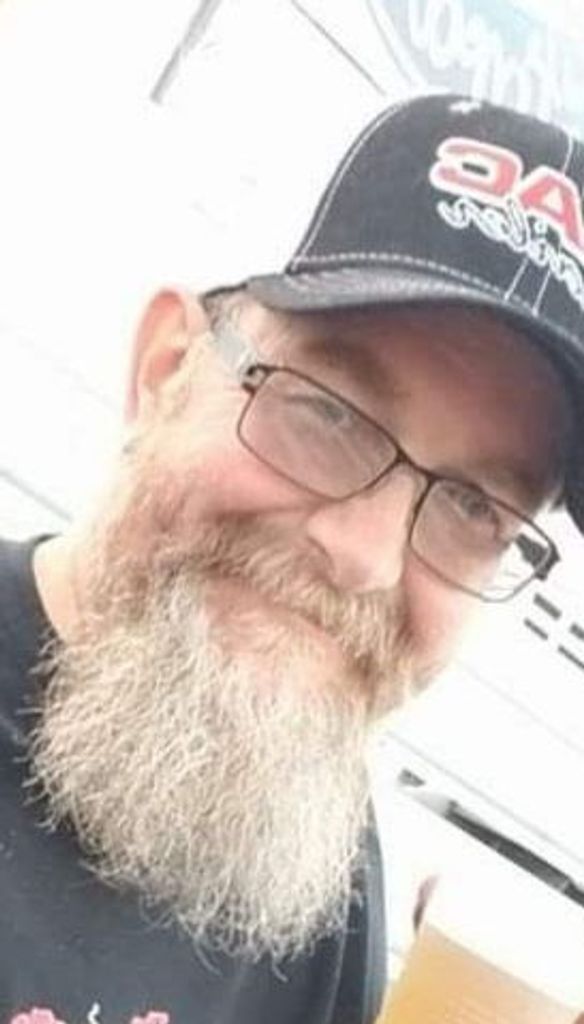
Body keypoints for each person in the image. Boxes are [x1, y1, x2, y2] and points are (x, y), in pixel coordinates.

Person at [1, 91, 584, 1024]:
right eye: (326, 412)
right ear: (166, 369)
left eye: (475, 507)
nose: (365, 557)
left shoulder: (321, 876)